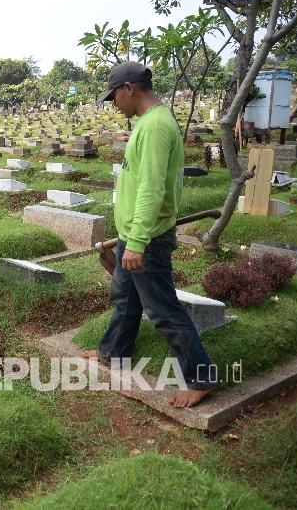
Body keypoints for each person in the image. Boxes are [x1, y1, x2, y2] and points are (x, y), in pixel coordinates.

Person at [81, 61, 217, 408]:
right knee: (125, 299)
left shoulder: (155, 126)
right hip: (134, 232)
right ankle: (113, 352)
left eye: (114, 96)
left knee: (162, 308)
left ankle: (201, 378)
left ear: (129, 88)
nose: (113, 104)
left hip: (149, 237)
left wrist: (138, 242)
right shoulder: (148, 121)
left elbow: (152, 190)